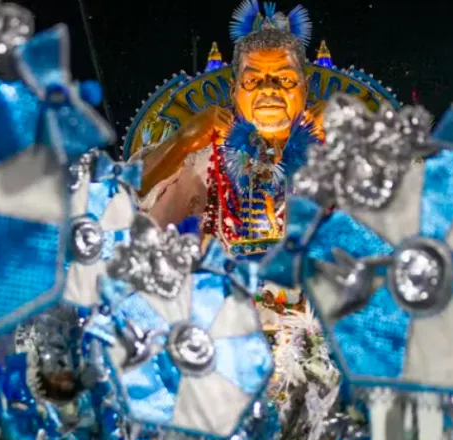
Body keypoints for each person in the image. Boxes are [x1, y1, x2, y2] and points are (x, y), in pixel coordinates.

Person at [134, 0, 322, 255]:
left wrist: (346, 135)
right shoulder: (201, 156)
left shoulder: (333, 152)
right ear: (234, 91)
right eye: (253, 80)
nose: (269, 89)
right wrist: (182, 141)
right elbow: (123, 197)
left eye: (285, 79)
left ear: (305, 88)